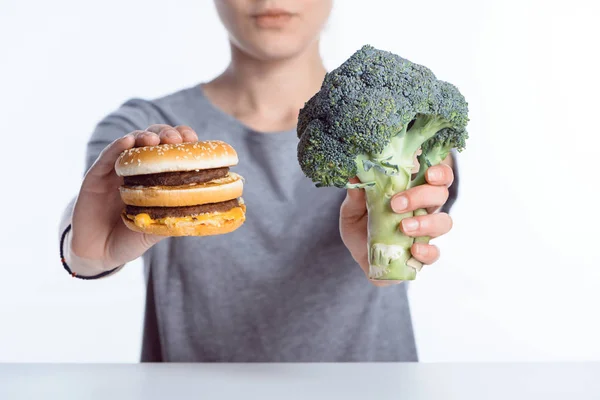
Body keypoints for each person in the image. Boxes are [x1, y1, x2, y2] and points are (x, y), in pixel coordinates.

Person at [59, 0, 458, 362]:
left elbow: (425, 206)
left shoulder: (405, 131)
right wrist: (88, 252)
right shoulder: (144, 129)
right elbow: (84, 242)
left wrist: (398, 237)